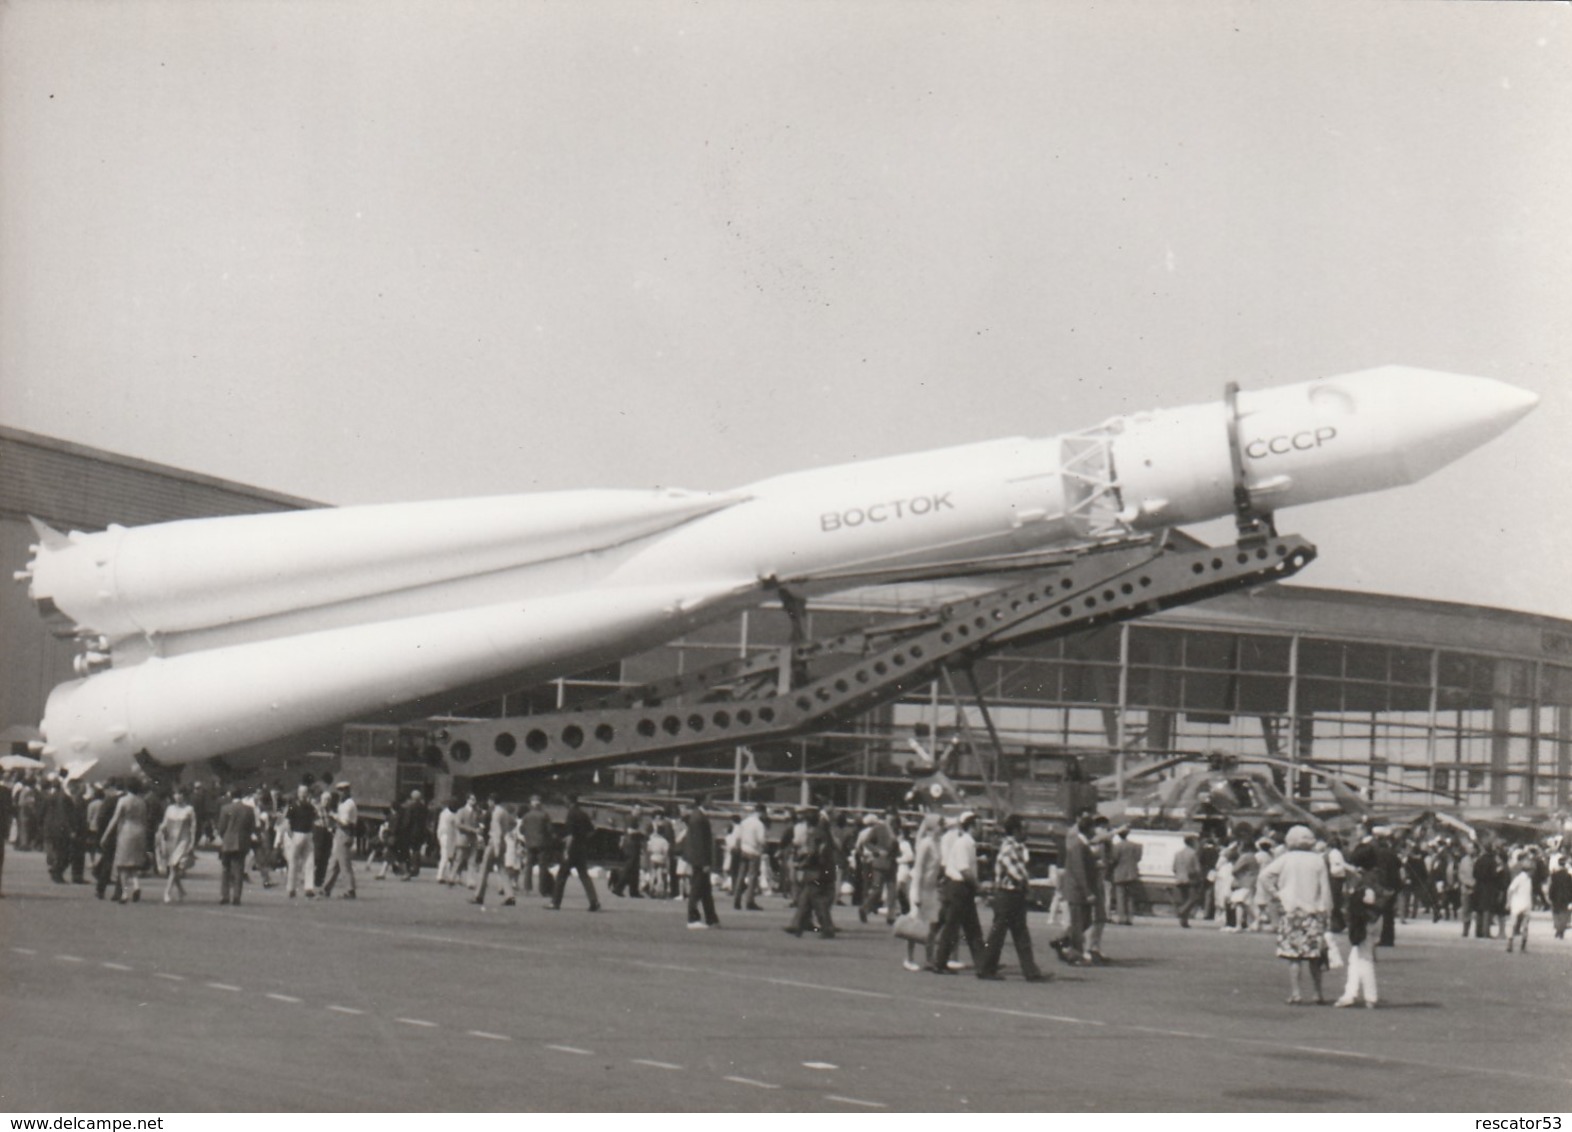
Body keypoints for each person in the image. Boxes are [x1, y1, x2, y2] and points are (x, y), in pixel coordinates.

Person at [1257, 824, 1332, 1005]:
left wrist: (1277, 894)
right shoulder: (1318, 860)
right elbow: (1325, 889)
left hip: (1291, 911)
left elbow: (1264, 876)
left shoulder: (1286, 858)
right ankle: (1317, 993)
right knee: (1315, 956)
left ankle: (1296, 993)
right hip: (1312, 912)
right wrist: (1328, 911)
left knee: (1294, 957)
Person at [976, 815, 1049, 982]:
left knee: (1019, 933)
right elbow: (1018, 873)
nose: (1026, 832)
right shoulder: (1009, 848)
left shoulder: (1017, 847)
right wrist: (1029, 883)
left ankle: (1030, 971)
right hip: (1008, 895)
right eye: (1024, 829)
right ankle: (987, 968)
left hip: (1012, 895)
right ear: (1015, 830)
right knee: (1000, 933)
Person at [930, 811, 985, 973]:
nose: (982, 830)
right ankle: (940, 963)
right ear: (972, 826)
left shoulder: (968, 843)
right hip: (959, 888)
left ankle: (983, 965)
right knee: (953, 927)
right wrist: (978, 886)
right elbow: (964, 869)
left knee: (972, 929)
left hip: (960, 889)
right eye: (980, 825)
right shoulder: (964, 843)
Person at [784, 807, 837, 938]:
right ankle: (796, 925)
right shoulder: (825, 833)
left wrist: (802, 863)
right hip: (825, 870)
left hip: (815, 871)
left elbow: (813, 853)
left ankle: (827, 928)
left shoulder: (814, 834)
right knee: (804, 900)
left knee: (818, 901)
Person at [1334, 866, 1381, 1009]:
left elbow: (1364, 904)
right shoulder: (1374, 881)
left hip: (1363, 924)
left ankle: (1366, 996)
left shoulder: (1364, 887)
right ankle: (1354, 993)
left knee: (1363, 959)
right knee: (1357, 959)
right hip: (1372, 923)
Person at [904, 813, 944, 971]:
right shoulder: (926, 844)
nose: (942, 827)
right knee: (915, 923)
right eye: (939, 824)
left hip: (931, 888)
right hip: (918, 887)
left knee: (932, 923)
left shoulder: (938, 843)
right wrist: (917, 895)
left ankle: (929, 958)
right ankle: (909, 958)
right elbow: (919, 869)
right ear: (932, 827)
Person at [101, 778, 150, 905]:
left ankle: (124, 893)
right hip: (140, 831)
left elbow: (115, 819)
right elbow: (145, 820)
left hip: (126, 831)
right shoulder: (142, 802)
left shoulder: (123, 800)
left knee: (122, 864)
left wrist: (106, 835)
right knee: (133, 863)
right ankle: (136, 885)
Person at [548, 795, 601, 911]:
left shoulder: (571, 814)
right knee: (584, 876)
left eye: (565, 800)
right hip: (581, 848)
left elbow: (570, 835)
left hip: (572, 848)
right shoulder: (583, 814)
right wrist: (583, 839)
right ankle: (594, 901)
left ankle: (555, 902)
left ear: (569, 801)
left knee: (561, 875)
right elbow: (591, 831)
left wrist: (566, 850)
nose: (564, 803)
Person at [682, 797, 720, 929]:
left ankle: (711, 918)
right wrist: (704, 862)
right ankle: (692, 918)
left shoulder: (698, 815)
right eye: (709, 799)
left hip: (699, 858)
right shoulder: (698, 817)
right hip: (700, 859)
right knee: (697, 888)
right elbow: (699, 842)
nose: (711, 802)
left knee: (705, 890)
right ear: (702, 801)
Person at [858, 808, 900, 925]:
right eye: (890, 815)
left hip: (891, 862)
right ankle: (864, 908)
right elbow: (867, 842)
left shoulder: (896, 829)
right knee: (877, 890)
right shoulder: (879, 828)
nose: (892, 818)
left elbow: (895, 846)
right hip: (880, 863)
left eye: (894, 815)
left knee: (892, 890)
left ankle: (891, 916)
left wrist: (897, 852)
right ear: (885, 816)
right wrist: (877, 851)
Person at [215, 787, 256, 906]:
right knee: (238, 869)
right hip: (242, 842)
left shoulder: (225, 808)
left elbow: (221, 827)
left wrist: (224, 837)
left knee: (225, 869)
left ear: (230, 795)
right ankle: (237, 896)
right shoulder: (248, 810)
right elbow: (252, 827)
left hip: (228, 841)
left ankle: (225, 895)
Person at [156, 786, 196, 903]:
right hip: (170, 840)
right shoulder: (169, 809)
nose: (178, 796)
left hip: (183, 840)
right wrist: (161, 830)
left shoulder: (189, 809)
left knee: (174, 866)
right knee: (174, 867)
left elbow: (193, 828)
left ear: (184, 796)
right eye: (176, 794)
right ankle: (181, 890)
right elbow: (164, 823)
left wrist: (192, 843)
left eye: (180, 794)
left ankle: (167, 892)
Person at [321, 781, 358, 900]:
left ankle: (350, 890)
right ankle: (326, 889)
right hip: (340, 833)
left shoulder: (348, 804)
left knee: (344, 864)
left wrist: (333, 815)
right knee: (334, 863)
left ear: (347, 790)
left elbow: (345, 822)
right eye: (339, 790)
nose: (340, 792)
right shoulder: (343, 803)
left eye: (342, 790)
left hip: (345, 833)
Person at [282, 784, 317, 897]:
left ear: (307, 794)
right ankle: (291, 888)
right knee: (293, 862)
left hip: (308, 834)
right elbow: (287, 822)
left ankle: (309, 888)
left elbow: (314, 820)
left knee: (309, 862)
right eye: (301, 792)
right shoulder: (292, 806)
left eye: (305, 792)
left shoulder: (310, 807)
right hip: (296, 834)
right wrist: (291, 835)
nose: (303, 795)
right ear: (298, 793)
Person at [732, 803, 768, 911]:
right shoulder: (759, 824)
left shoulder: (744, 822)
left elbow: (738, 837)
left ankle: (736, 900)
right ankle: (749, 901)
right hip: (754, 851)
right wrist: (765, 845)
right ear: (762, 812)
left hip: (744, 850)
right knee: (752, 877)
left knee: (740, 876)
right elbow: (761, 840)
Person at [518, 795, 553, 896]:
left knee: (529, 866)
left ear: (531, 804)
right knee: (542, 867)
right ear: (540, 804)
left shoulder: (526, 816)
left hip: (529, 844)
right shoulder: (545, 815)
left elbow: (521, 830)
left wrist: (528, 835)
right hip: (542, 844)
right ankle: (542, 890)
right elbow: (549, 830)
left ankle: (527, 888)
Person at [1109, 824, 1143, 925]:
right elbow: (1138, 858)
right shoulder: (1135, 846)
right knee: (1130, 897)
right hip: (1132, 873)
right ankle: (1130, 918)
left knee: (1120, 897)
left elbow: (1113, 860)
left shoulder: (1117, 846)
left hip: (1119, 873)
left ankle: (1122, 918)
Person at [395, 789, 429, 880]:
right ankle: (416, 868)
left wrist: (402, 829)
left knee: (408, 851)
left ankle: (410, 869)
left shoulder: (410, 807)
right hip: (421, 831)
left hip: (411, 832)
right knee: (416, 850)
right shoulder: (424, 807)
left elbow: (407, 821)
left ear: (412, 797)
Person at [1172, 834, 1202, 928]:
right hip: (1190, 879)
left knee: (1184, 899)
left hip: (1179, 878)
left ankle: (1184, 921)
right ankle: (1181, 911)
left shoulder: (1178, 853)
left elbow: (1174, 868)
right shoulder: (1193, 853)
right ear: (1192, 842)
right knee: (1192, 898)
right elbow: (1197, 869)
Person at [1505, 859, 1534, 953]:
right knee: (1519, 925)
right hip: (1519, 904)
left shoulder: (1527, 879)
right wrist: (1508, 902)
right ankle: (1515, 944)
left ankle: (1517, 944)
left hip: (1522, 904)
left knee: (1519, 925)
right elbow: (1510, 890)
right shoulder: (1520, 878)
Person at [1549, 855, 1572, 941]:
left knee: (1556, 913)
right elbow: (1570, 887)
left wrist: (1550, 896)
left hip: (1556, 896)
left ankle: (1558, 928)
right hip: (1565, 897)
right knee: (1564, 914)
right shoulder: (1568, 876)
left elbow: (1552, 886)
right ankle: (1561, 930)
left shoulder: (1554, 875)